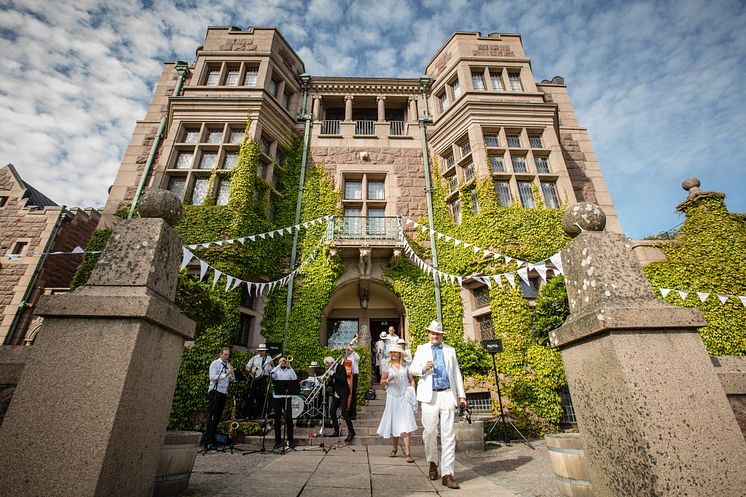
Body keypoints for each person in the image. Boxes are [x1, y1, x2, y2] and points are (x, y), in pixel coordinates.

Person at [410, 320, 467, 490]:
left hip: (447, 394)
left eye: (438, 333)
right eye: (432, 333)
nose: (435, 335)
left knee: (448, 435)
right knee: (430, 433)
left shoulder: (450, 350)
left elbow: (456, 373)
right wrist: (423, 368)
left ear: (442, 335)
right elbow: (411, 369)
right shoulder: (421, 349)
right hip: (429, 397)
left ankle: (447, 474)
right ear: (428, 334)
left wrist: (461, 395)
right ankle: (433, 462)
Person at [376, 344, 418, 463]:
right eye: (392, 352)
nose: (393, 354)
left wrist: (412, 389)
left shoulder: (406, 366)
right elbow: (382, 382)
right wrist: (388, 380)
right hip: (393, 397)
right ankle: (394, 448)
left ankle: (408, 452)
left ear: (400, 353)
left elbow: (411, 380)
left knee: (406, 423)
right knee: (395, 422)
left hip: (405, 397)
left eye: (395, 352)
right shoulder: (387, 366)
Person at [206, 347, 235, 447]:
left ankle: (213, 439)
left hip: (223, 392)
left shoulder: (228, 365)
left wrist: (231, 374)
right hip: (215, 390)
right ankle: (208, 440)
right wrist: (225, 374)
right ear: (221, 354)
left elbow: (231, 379)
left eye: (228, 355)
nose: (227, 357)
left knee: (218, 417)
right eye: (225, 355)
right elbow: (212, 377)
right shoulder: (215, 363)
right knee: (212, 416)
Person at [324, 356, 356, 442]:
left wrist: (333, 374)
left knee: (343, 412)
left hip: (343, 392)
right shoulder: (331, 371)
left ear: (332, 362)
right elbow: (333, 383)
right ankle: (336, 430)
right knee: (332, 411)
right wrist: (326, 381)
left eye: (328, 364)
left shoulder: (341, 367)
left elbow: (342, 380)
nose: (327, 366)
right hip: (336, 393)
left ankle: (351, 432)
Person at [270, 356, 297, 449]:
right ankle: (278, 442)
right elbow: (271, 374)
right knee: (277, 420)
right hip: (277, 397)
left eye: (284, 361)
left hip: (287, 397)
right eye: (281, 361)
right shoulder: (276, 371)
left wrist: (290, 365)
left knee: (289, 419)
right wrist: (278, 365)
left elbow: (295, 378)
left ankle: (290, 441)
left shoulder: (289, 371)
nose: (283, 362)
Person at [245, 343, 274, 419]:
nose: (262, 352)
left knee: (260, 396)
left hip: (263, 378)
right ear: (258, 351)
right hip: (254, 377)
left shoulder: (269, 358)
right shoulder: (254, 358)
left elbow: (272, 371)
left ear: (265, 351)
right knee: (251, 395)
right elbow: (247, 367)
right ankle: (249, 414)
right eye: (260, 351)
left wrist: (272, 365)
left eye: (263, 351)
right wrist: (251, 371)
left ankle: (258, 414)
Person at [344, 344, 360, 419]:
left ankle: (353, 414)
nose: (348, 351)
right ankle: (346, 412)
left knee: (353, 395)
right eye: (347, 350)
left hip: (354, 376)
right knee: (346, 395)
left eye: (349, 350)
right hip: (347, 377)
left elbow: (358, 358)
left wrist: (352, 350)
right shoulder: (345, 358)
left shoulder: (355, 355)